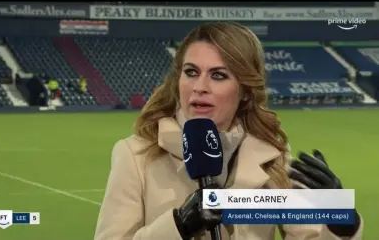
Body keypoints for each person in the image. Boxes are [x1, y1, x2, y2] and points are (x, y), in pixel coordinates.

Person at [94, 23, 363, 240]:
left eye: (218, 75)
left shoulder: (270, 155)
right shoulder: (135, 154)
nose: (199, 86)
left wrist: (339, 220)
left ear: (245, 91)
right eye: (191, 72)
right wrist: (178, 226)